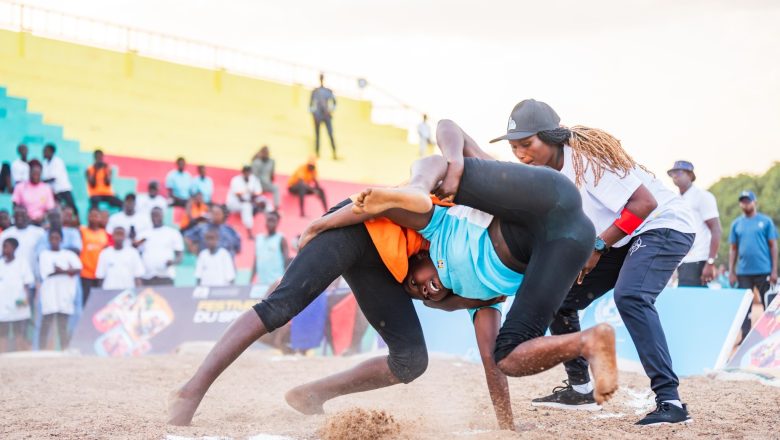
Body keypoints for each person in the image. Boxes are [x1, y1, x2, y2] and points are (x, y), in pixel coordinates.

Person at [168, 155, 618, 430]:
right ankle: (192, 390)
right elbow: (372, 205)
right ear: (432, 261)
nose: (423, 289)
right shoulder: (438, 228)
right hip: (353, 226)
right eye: (427, 284)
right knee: (282, 305)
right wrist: (322, 223)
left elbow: (492, 357)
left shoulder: (478, 293)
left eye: (427, 293)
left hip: (381, 269)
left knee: (411, 361)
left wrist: (507, 424)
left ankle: (311, 394)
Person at [435, 99, 696, 425]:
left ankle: (670, 400)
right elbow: (457, 134)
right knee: (561, 298)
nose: (520, 155)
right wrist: (455, 164)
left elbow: (644, 202)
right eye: (514, 147)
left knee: (630, 296)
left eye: (527, 145)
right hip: (620, 236)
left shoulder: (587, 160)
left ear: (552, 138)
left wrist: (598, 245)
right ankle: (580, 387)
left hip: (663, 224)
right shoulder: (536, 175)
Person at [728, 191, 778, 341]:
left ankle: (770, 337)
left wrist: (774, 270)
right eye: (742, 201)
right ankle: (745, 337)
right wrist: (731, 271)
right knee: (744, 308)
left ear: (754, 202)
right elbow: (733, 248)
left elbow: (773, 246)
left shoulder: (766, 221)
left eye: (748, 201)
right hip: (743, 272)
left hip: (764, 271)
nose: (745, 204)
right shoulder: (736, 224)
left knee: (768, 305)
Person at [668, 161, 721, 287]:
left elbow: (716, 229)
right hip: (683, 260)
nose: (675, 175)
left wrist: (710, 262)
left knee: (694, 302)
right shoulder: (675, 200)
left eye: (679, 172)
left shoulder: (702, 196)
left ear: (690, 175)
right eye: (672, 173)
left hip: (698, 260)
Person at [38, 229, 82, 350]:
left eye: (57, 238)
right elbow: (47, 272)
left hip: (65, 296)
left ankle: (64, 350)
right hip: (49, 295)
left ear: (61, 240)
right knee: (46, 324)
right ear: (48, 240)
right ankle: (41, 350)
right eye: (52, 238)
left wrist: (60, 270)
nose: (54, 241)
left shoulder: (69, 255)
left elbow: (78, 269)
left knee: (62, 326)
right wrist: (67, 270)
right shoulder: (44, 255)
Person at [0, 238, 34, 352]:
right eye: (3, 246)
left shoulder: (21, 262)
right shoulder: (0, 263)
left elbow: (27, 283)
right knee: (2, 332)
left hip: (18, 303)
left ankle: (21, 356)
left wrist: (26, 299)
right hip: (2, 304)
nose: (4, 249)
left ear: (14, 248)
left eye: (7, 246)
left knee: (18, 331)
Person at [136, 207, 184, 286]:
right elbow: (137, 254)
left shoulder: (173, 233)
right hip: (147, 277)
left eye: (158, 215)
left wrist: (173, 262)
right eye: (153, 216)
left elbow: (180, 255)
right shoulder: (143, 234)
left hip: (166, 276)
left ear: (162, 216)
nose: (155, 218)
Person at [0, 207, 46, 285]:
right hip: (11, 279)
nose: (19, 218)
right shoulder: (6, 234)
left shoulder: (39, 232)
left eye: (22, 215)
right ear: (13, 217)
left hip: (33, 278)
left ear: (28, 217)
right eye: (17, 216)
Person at [79, 208, 110, 305]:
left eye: (96, 216)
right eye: (91, 215)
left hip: (100, 274)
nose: (93, 218)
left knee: (100, 303)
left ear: (100, 218)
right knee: (87, 302)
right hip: (86, 273)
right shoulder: (82, 231)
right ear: (87, 217)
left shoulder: (104, 233)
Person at [250, 211, 289, 290]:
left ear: (277, 222)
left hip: (276, 284)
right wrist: (249, 281)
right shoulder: (259, 238)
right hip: (261, 284)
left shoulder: (281, 239)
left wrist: (284, 283)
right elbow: (255, 261)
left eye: (273, 221)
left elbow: (286, 262)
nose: (270, 223)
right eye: (269, 220)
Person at [226, 166, 267, 239]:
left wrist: (257, 202)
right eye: (246, 172)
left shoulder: (254, 180)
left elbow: (257, 194)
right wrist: (253, 203)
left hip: (248, 202)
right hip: (234, 204)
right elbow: (240, 198)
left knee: (264, 200)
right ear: (243, 172)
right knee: (246, 206)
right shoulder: (236, 180)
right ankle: (249, 231)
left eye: (249, 172)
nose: (247, 174)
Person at [12, 159, 55, 225]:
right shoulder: (20, 187)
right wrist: (25, 216)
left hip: (42, 222)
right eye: (34, 173)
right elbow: (15, 205)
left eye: (38, 174)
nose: (36, 176)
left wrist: (42, 217)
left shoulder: (46, 188)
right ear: (29, 173)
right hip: (24, 221)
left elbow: (50, 208)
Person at [41, 143, 77, 217]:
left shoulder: (58, 161)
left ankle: (77, 222)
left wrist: (40, 182)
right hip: (53, 191)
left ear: (52, 152)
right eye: (43, 151)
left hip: (63, 189)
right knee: (56, 208)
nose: (44, 153)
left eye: (46, 151)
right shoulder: (44, 163)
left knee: (72, 207)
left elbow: (53, 178)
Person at [310, 73, 337, 159]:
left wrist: (330, 111)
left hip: (326, 115)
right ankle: (317, 153)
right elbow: (310, 105)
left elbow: (335, 103)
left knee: (330, 134)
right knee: (317, 135)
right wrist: (314, 114)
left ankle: (334, 152)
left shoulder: (328, 91)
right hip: (318, 115)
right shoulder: (315, 91)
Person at [251, 146, 280, 211]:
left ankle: (276, 207)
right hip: (256, 184)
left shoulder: (272, 162)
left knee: (276, 187)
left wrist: (270, 181)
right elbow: (253, 175)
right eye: (264, 152)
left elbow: (272, 174)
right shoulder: (256, 162)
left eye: (267, 153)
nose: (265, 154)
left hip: (266, 183)